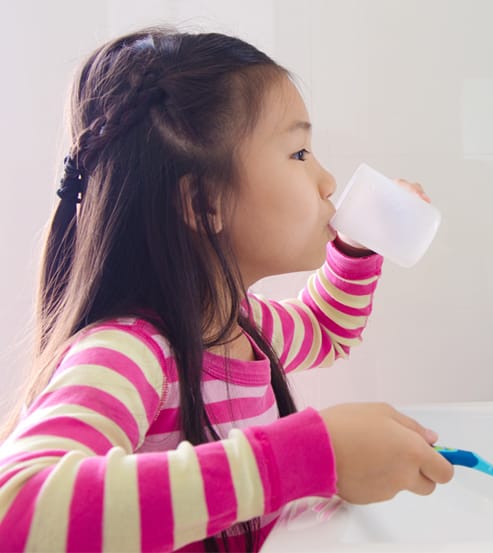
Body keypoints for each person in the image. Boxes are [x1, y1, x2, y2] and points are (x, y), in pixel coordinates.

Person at [0, 27, 453, 552]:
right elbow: (16, 513)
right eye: (299, 153)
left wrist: (355, 245)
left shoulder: (241, 327)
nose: (328, 181)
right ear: (204, 203)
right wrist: (306, 456)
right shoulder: (129, 354)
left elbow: (326, 328)